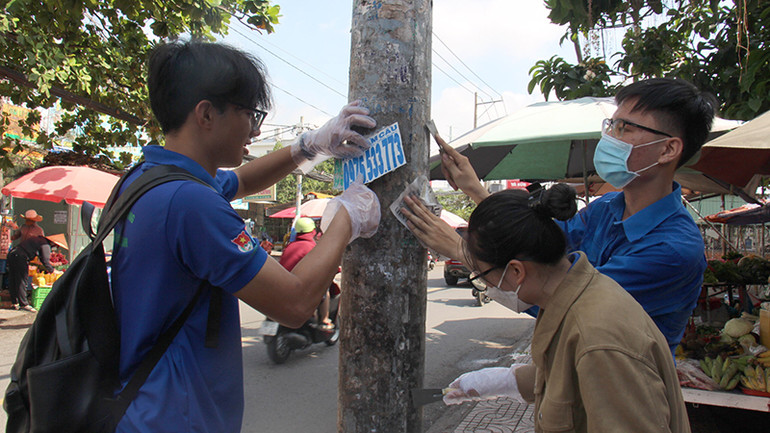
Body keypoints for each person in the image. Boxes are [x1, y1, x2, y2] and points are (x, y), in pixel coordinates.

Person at [109, 40, 380, 433]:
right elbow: (295, 303)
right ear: (206, 114)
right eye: (250, 114)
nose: (255, 129)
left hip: (140, 405)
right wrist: (345, 219)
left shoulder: (145, 180)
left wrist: (310, 146)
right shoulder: (191, 204)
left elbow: (238, 181)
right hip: (179, 418)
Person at [427, 78, 715, 355]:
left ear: (668, 149)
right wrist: (476, 190)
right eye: (610, 125)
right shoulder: (607, 207)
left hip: (625, 395)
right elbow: (538, 244)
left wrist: (459, 249)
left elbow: (560, 298)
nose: (609, 137)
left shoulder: (674, 250)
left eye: (624, 128)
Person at [402, 185, 690, 432]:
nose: (486, 285)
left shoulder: (598, 339)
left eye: (481, 275)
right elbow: (571, 382)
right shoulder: (574, 299)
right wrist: (503, 381)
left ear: (516, 271)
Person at [279, 217, 333, 330]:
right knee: (325, 292)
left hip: (284, 285)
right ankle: (324, 319)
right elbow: (323, 265)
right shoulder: (312, 247)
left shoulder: (289, 246)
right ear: (313, 231)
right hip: (302, 286)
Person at [6, 235, 56, 312]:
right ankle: (24, 304)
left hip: (13, 254)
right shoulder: (45, 244)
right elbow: (45, 260)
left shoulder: (38, 239)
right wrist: (52, 270)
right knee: (21, 280)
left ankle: (14, 302)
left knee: (13, 279)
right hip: (21, 257)